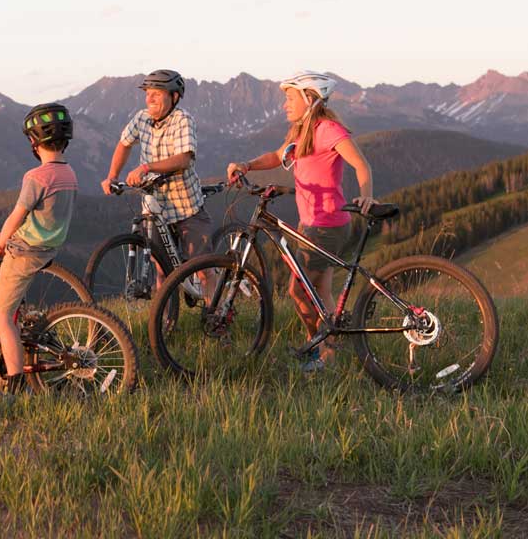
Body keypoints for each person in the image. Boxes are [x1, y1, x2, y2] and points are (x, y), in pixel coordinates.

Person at [225, 70, 375, 372]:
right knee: (321, 292)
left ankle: (322, 353)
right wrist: (247, 166)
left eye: (290, 97)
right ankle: (326, 349)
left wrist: (367, 196)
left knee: (298, 290)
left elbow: (361, 164)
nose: (284, 104)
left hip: (327, 223)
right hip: (312, 223)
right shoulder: (301, 132)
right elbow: (277, 156)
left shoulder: (326, 129)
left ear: (310, 98)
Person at [0, 103, 78, 393]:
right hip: (49, 245)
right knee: (8, 309)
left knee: (0, 316)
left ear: (33, 143)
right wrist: (6, 235)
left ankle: (13, 383)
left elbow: (17, 215)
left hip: (25, 252)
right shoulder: (69, 174)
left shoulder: (36, 177)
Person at [101, 69, 212, 294]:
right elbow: (124, 143)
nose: (149, 99)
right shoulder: (141, 117)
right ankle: (165, 324)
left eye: (156, 94)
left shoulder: (182, 120)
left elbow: (184, 159)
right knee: (161, 270)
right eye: (147, 93)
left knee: (203, 269)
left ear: (174, 97)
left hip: (186, 207)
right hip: (155, 209)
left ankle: (217, 317)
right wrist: (112, 176)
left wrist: (146, 167)